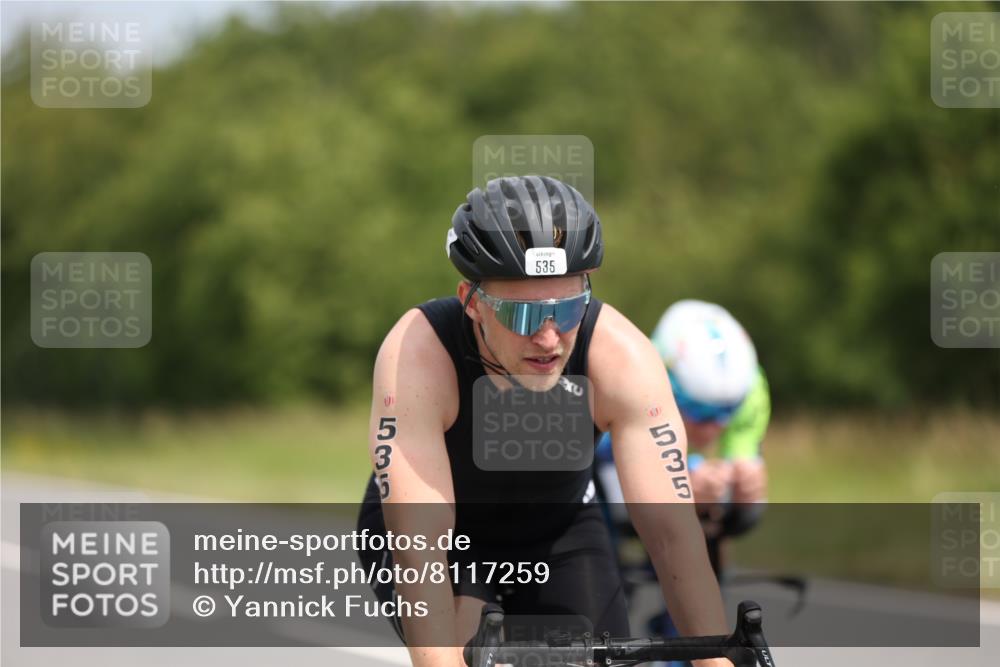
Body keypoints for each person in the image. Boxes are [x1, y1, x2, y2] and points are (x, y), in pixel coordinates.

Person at [356, 175, 733, 667]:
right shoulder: (419, 354)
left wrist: (716, 659)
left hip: (559, 531)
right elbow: (420, 542)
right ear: (472, 302)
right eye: (523, 315)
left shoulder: (621, 357)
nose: (549, 339)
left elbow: (671, 533)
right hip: (447, 540)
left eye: (568, 309)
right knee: (468, 652)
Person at [594, 299, 770, 660]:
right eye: (699, 411)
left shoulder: (751, 392)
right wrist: (684, 476)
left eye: (726, 413)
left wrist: (744, 488)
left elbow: (744, 494)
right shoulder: (632, 378)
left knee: (716, 511)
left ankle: (692, 637)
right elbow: (607, 460)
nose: (713, 427)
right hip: (607, 475)